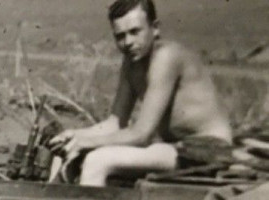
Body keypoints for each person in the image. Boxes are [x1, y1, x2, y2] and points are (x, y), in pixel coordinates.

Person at [50, 0, 232, 186]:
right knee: (62, 153)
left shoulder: (166, 57)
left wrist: (87, 142)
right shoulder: (132, 63)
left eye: (135, 32)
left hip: (207, 148)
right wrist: (75, 136)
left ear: (155, 28)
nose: (128, 42)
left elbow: (141, 134)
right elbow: (115, 122)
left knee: (97, 161)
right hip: (176, 147)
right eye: (120, 36)